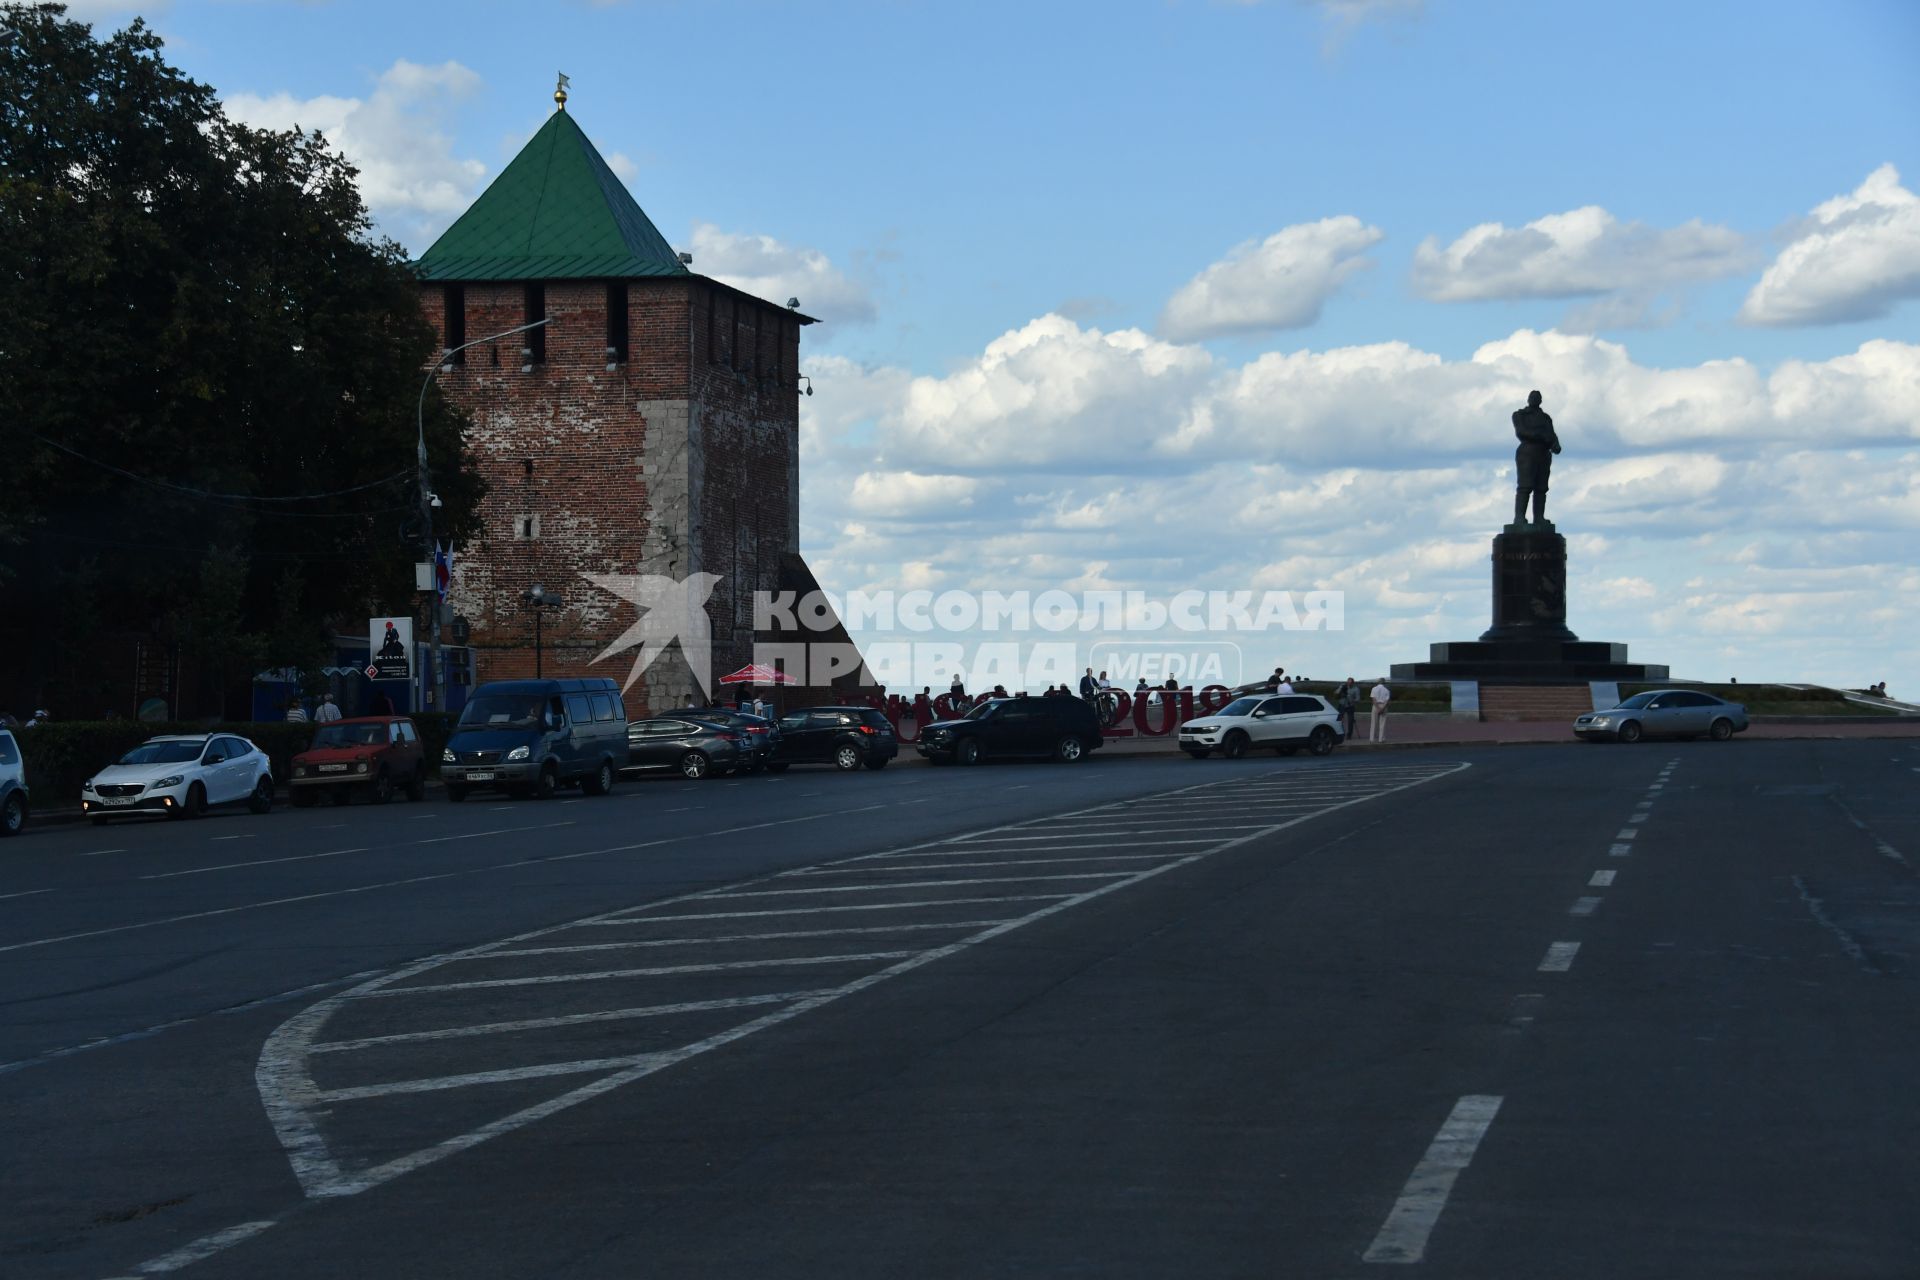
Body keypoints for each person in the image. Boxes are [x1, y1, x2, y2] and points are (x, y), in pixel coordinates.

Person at [1511, 389, 1563, 527]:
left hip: (1543, 454)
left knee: (1541, 488)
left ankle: (1539, 517)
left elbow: (1552, 434)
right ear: (1528, 399)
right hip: (1527, 453)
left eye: (1538, 397)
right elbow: (1522, 432)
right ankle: (1519, 517)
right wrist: (1540, 435)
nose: (1535, 399)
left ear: (1540, 401)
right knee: (1525, 486)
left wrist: (1555, 444)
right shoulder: (1520, 415)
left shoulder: (1546, 418)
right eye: (1533, 397)